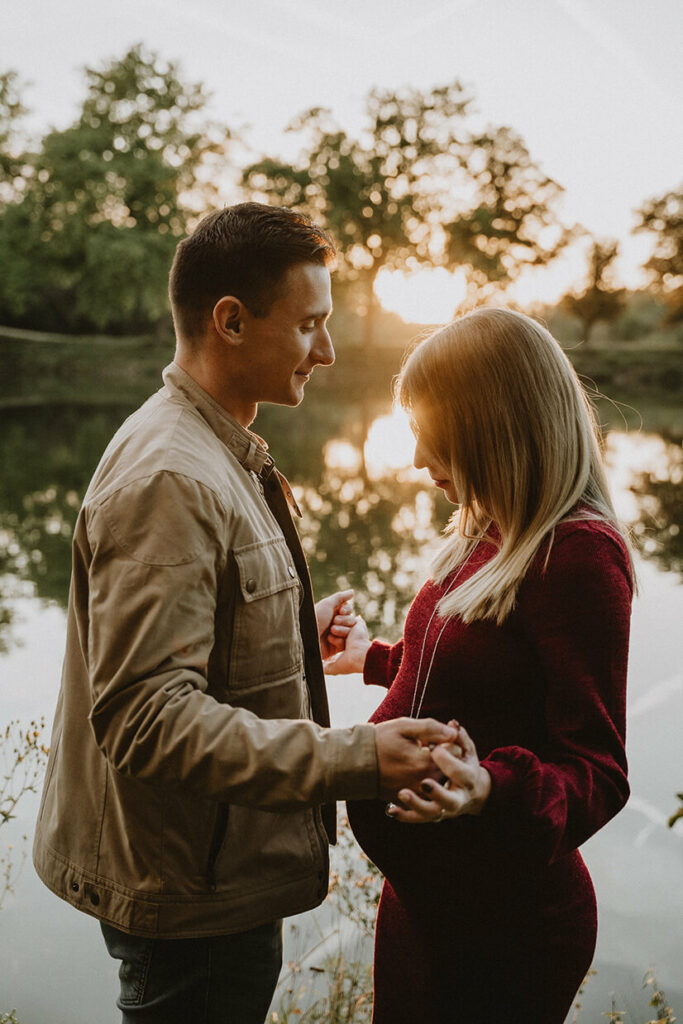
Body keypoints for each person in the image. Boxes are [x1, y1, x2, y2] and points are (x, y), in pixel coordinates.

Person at [32, 202, 456, 1024]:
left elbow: (199, 633)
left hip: (210, 874)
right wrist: (356, 756)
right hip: (188, 897)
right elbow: (149, 717)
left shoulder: (212, 445)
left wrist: (293, 628)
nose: (327, 351)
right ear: (229, 320)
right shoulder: (172, 478)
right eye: (307, 325)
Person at [326, 308, 633, 1023]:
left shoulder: (578, 557)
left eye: (430, 436)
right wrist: (371, 659)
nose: (412, 460)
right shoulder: (489, 526)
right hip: (425, 902)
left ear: (491, 425)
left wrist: (489, 788)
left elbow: (597, 769)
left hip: (506, 926)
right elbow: (484, 676)